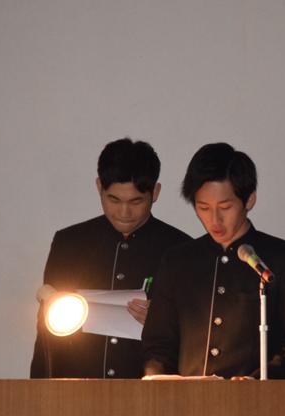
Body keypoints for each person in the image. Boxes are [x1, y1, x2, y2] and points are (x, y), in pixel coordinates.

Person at [142, 142, 285, 379]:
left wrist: (259, 383)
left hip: (257, 399)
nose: (214, 220)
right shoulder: (178, 261)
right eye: (203, 207)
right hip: (185, 399)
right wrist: (157, 383)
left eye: (225, 207)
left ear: (249, 200)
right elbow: (158, 344)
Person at [31, 138, 190, 378]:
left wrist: (163, 324)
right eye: (114, 200)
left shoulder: (180, 249)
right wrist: (40, 391)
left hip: (151, 391)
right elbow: (47, 330)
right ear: (99, 187)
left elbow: (196, 339)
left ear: (155, 193)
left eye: (136, 201)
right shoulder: (70, 243)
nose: (124, 212)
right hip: (76, 387)